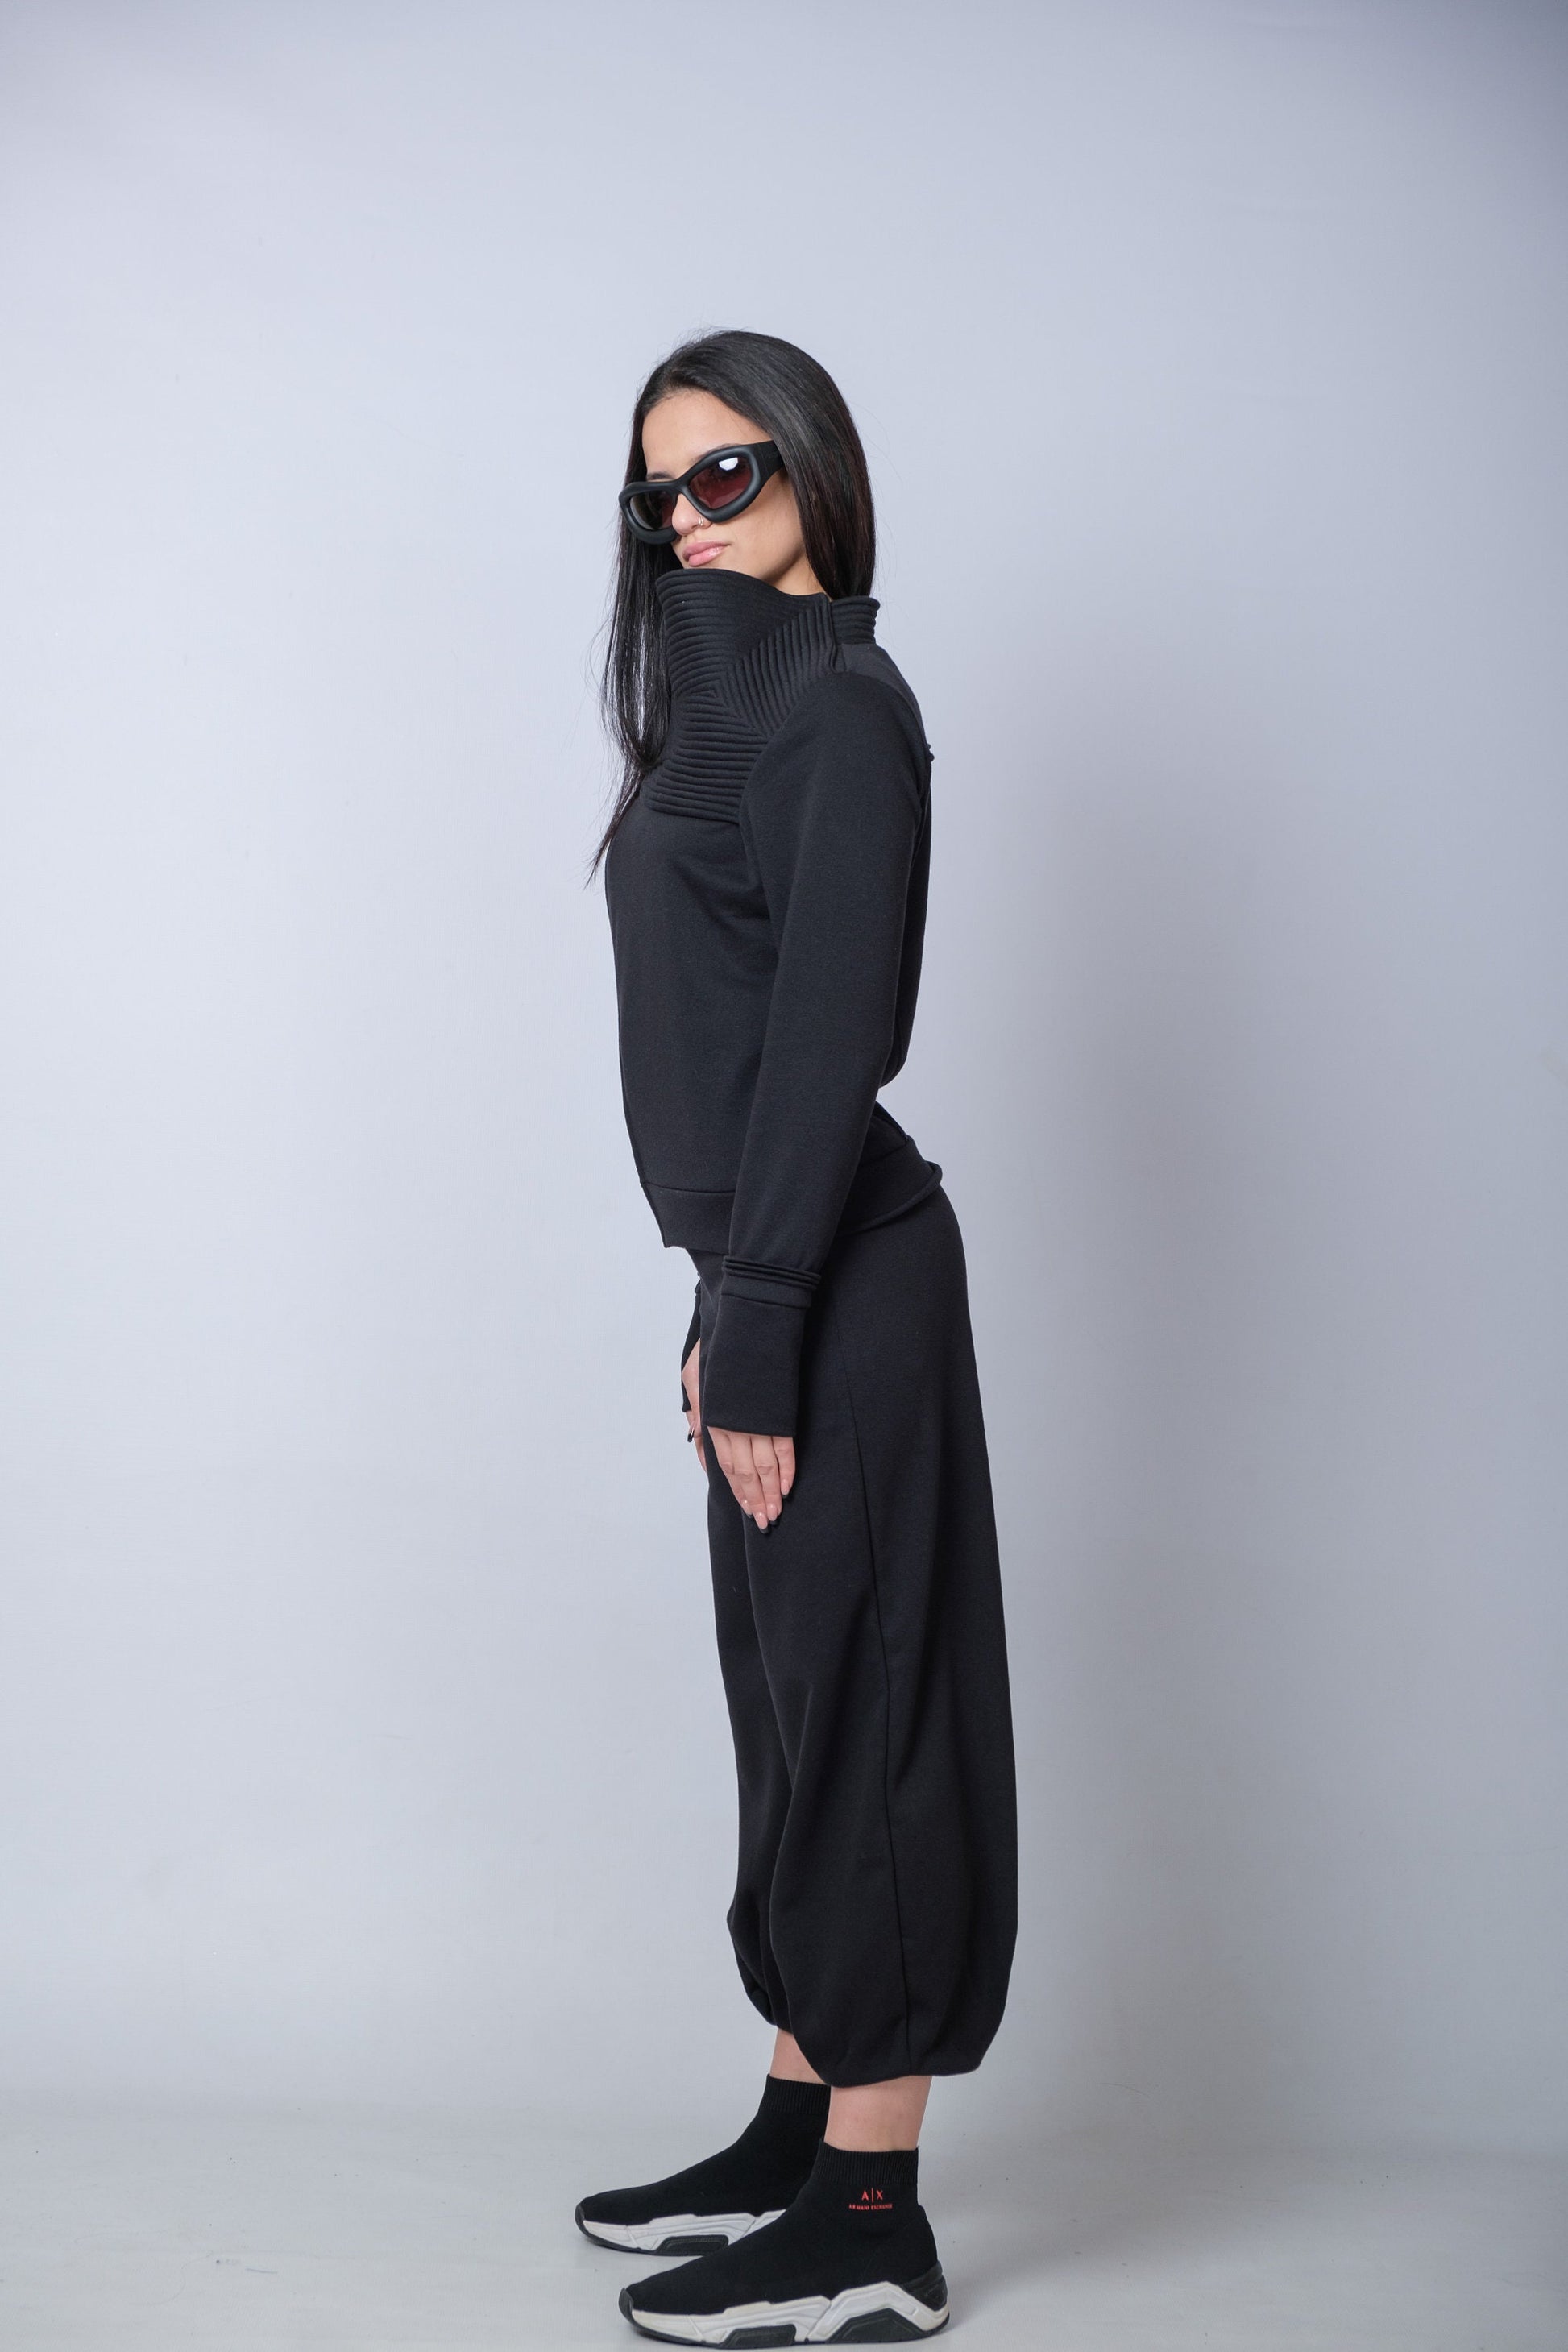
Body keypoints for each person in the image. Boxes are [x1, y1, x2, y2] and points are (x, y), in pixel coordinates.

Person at [579, 329, 1017, 2346]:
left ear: (815, 467)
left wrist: (758, 1313)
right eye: (656, 491)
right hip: (761, 1265)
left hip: (835, 1274)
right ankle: (791, 2122)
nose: (685, 517)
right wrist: (722, 1294)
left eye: (725, 473)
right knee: (791, 1712)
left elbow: (837, 1036)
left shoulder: (842, 707)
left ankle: (868, 2207)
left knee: (870, 1719)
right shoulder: (728, 710)